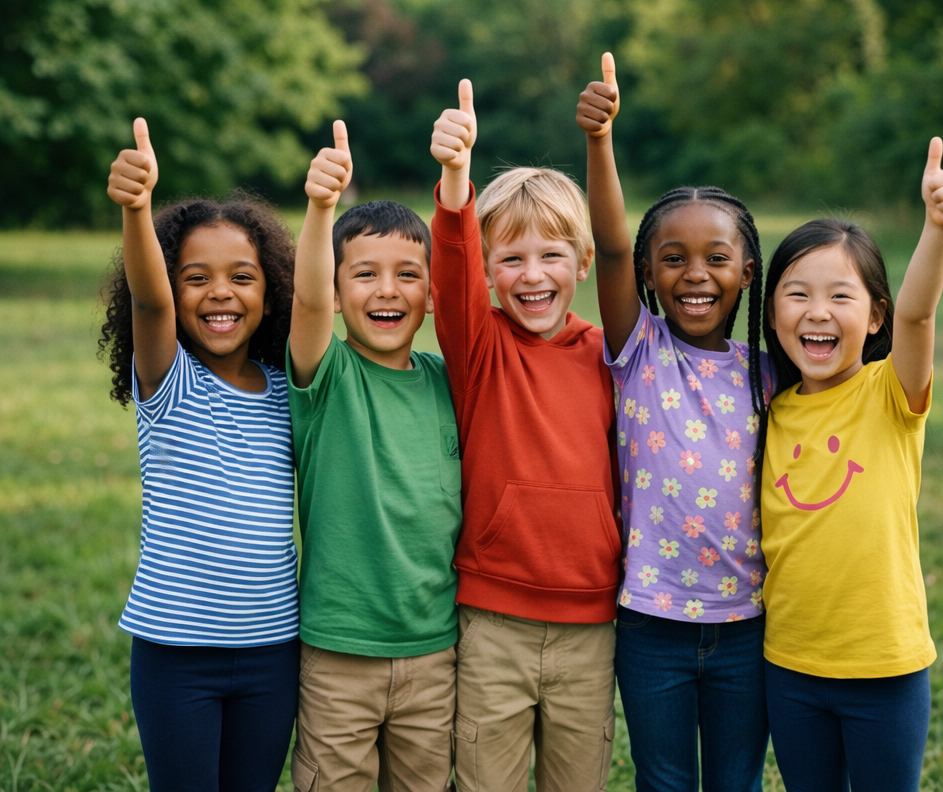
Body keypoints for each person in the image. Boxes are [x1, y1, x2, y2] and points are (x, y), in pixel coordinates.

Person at [577, 53, 771, 792]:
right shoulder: (638, 351)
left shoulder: (768, 370)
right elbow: (613, 244)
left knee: (736, 783)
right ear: (650, 276)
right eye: (673, 258)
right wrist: (602, 142)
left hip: (748, 626)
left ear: (747, 271)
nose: (695, 273)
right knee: (662, 783)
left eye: (716, 257)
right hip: (650, 623)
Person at [760, 138, 943, 792]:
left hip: (886, 670)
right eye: (796, 293)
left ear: (876, 312)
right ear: (771, 311)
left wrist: (938, 227)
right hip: (789, 667)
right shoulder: (767, 405)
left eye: (841, 297)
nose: (817, 312)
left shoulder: (890, 392)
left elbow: (919, 311)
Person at [430, 81, 620, 792]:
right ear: (489, 273)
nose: (531, 275)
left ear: (581, 263)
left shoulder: (608, 355)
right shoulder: (480, 350)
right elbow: (449, 271)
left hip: (590, 623)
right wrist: (456, 177)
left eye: (550, 256)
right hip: (492, 624)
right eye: (510, 260)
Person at [100, 119, 300, 792]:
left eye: (242, 276)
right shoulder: (169, 380)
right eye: (196, 277)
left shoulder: (285, 391)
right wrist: (136, 210)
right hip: (175, 655)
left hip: (274, 651)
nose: (220, 293)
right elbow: (150, 301)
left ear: (271, 288)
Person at [287, 121, 462, 792]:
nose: (387, 290)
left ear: (430, 292)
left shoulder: (449, 383)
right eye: (364, 274)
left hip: (434, 649)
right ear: (336, 293)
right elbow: (303, 301)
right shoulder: (325, 376)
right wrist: (321, 209)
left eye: (407, 276)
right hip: (338, 654)